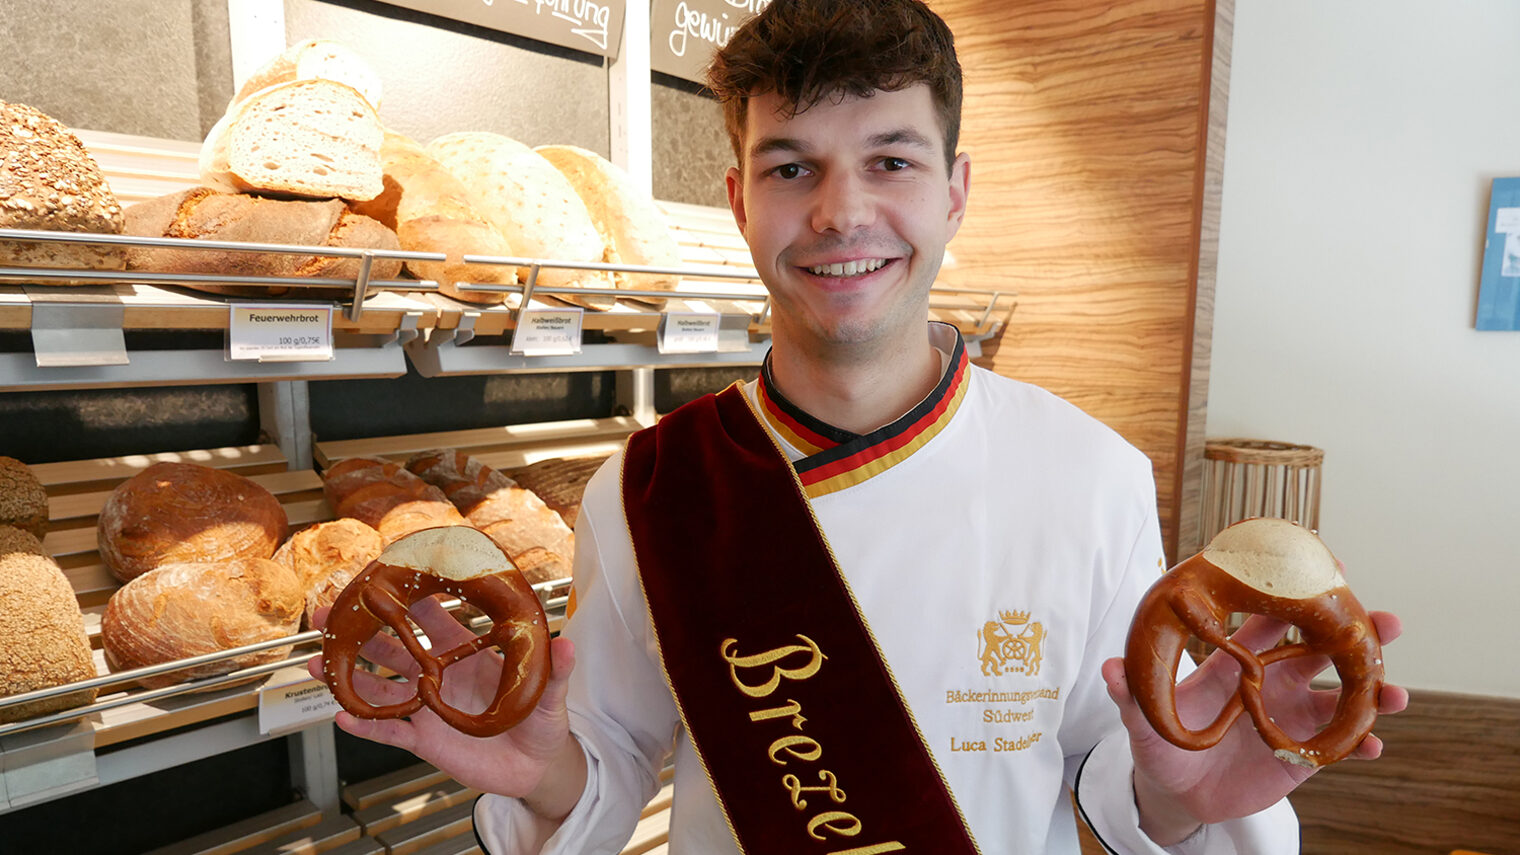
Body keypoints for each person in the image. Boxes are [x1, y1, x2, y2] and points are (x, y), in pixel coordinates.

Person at [309, 1, 1407, 852]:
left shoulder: (1089, 478)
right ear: (739, 200)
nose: (839, 212)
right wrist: (536, 767)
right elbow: (603, 763)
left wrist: (1178, 811)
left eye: (890, 160)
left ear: (953, 192)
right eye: (793, 168)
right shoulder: (647, 489)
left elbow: (1131, 777)